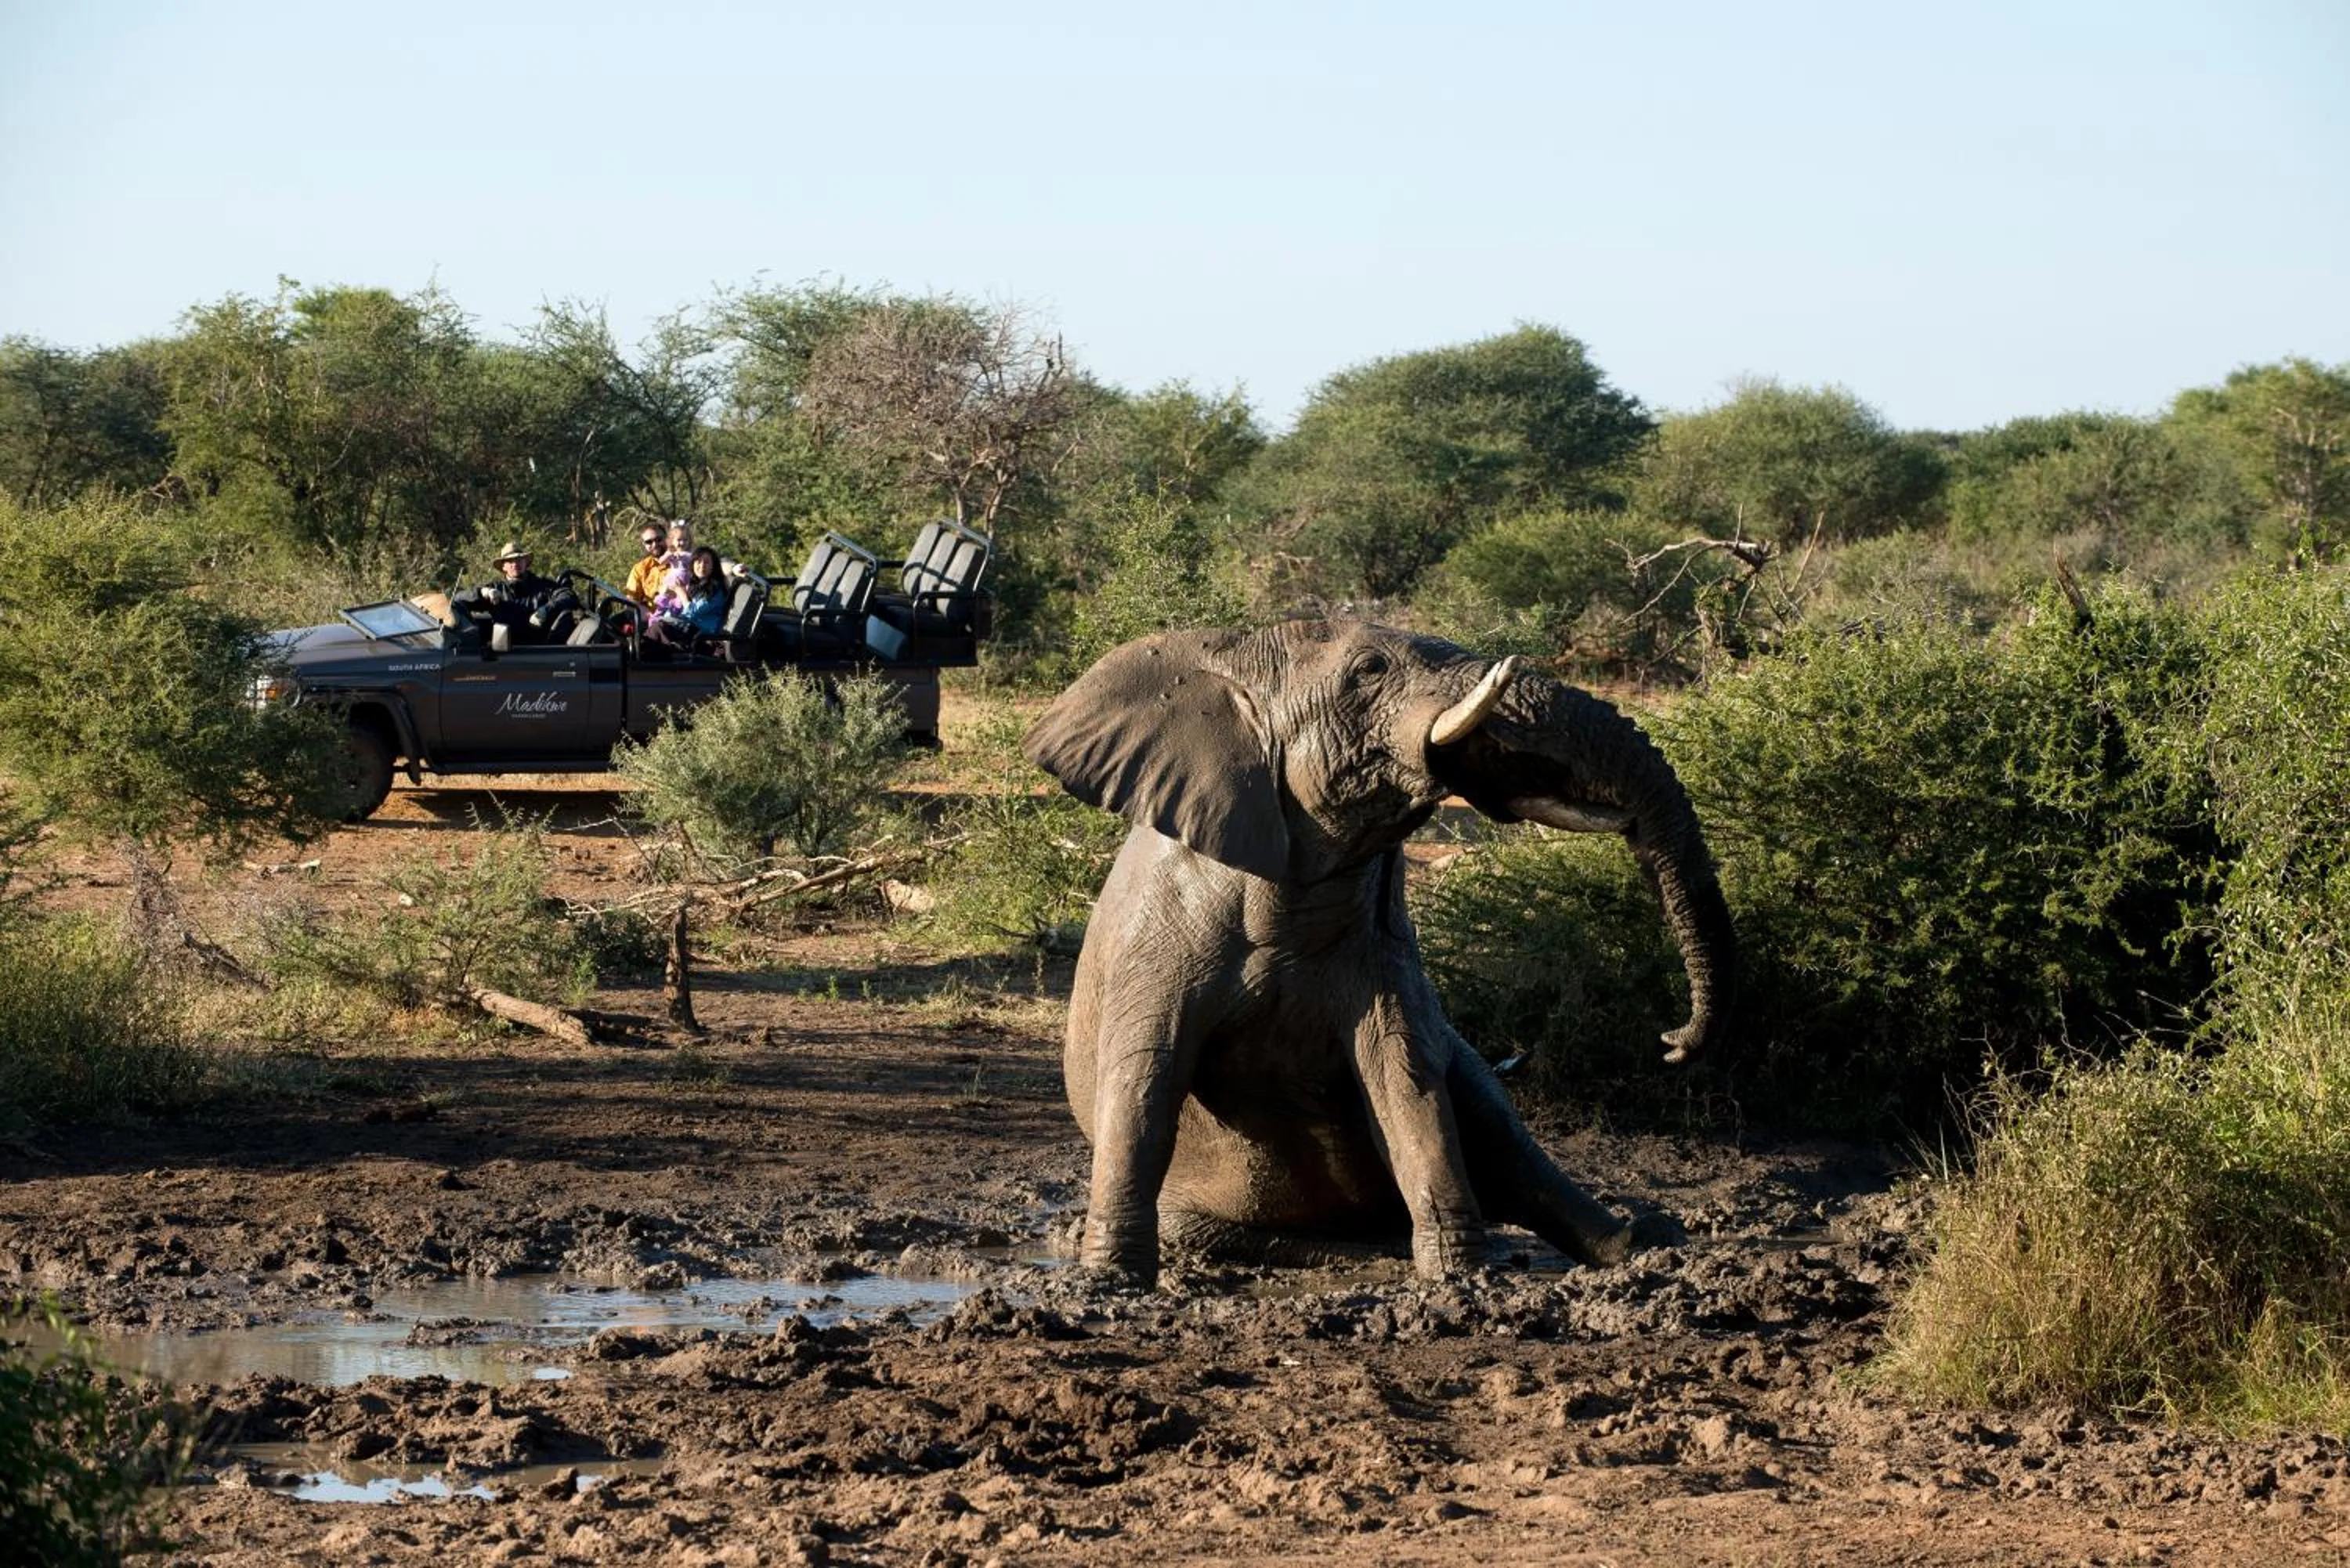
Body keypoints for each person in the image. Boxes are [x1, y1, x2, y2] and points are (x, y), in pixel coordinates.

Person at [650, 546, 730, 645]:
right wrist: (671, 595)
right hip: (688, 630)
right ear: (692, 564)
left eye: (706, 562)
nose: (702, 566)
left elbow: (692, 612)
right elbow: (680, 609)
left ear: (713, 566)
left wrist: (681, 593)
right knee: (658, 627)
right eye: (698, 562)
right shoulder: (695, 585)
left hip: (702, 637)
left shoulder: (716, 589)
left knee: (660, 629)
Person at [624, 522, 669, 607]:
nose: (655, 545)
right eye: (649, 542)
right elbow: (631, 601)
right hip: (650, 614)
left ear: (667, 539)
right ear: (644, 544)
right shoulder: (639, 569)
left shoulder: (681, 562)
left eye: (659, 539)